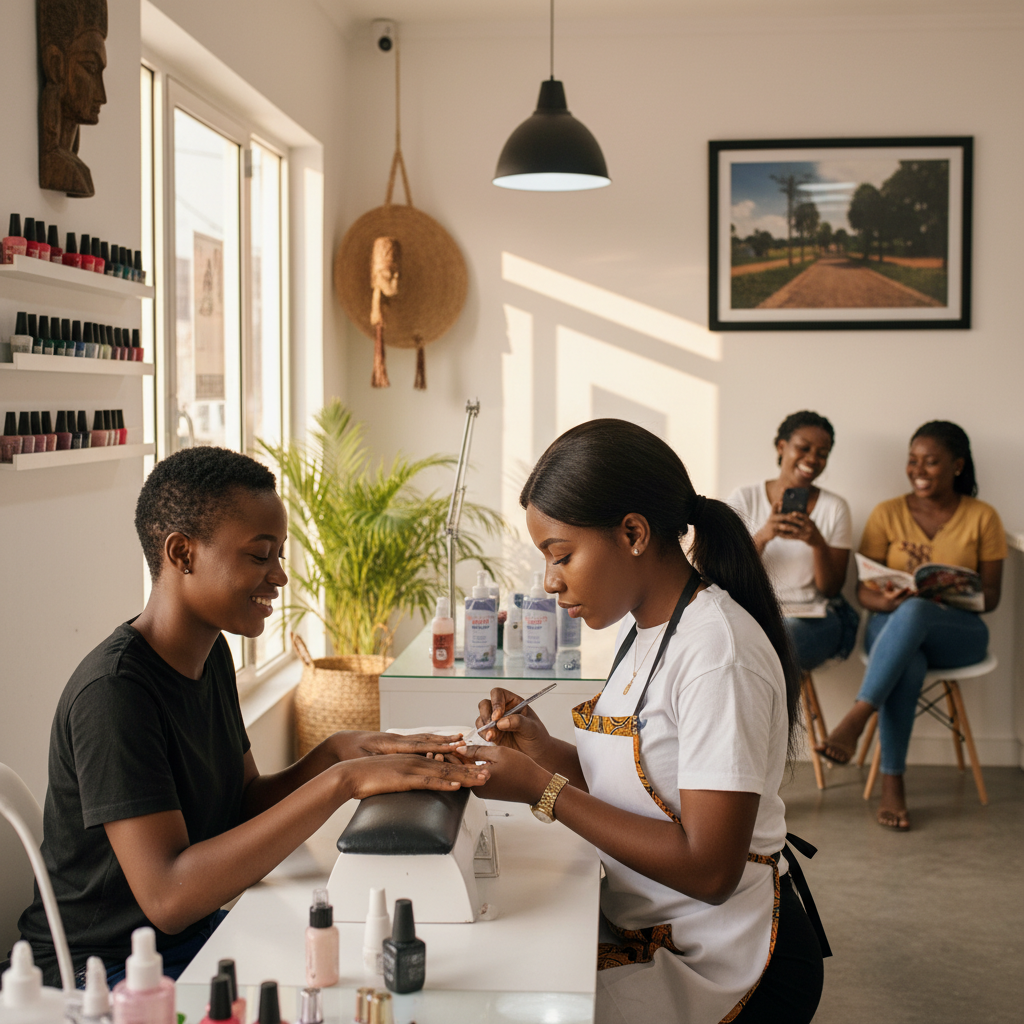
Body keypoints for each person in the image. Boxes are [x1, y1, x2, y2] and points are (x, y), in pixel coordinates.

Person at [15, 447, 487, 987]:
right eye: (261, 556)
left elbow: (242, 805)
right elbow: (168, 897)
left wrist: (336, 752)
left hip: (184, 940)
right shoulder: (115, 694)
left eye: (279, 554)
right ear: (182, 553)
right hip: (99, 971)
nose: (280, 577)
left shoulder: (209, 652)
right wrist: (343, 782)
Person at [451, 420, 825, 1024]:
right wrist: (541, 750)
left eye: (562, 555)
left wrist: (539, 791)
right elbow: (643, 785)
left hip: (723, 957)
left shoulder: (716, 654)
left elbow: (708, 867)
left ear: (632, 533)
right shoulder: (648, 629)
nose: (549, 583)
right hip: (654, 919)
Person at [816, 421, 1006, 830]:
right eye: (913, 460)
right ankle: (893, 785)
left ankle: (857, 715)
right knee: (910, 657)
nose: (918, 469)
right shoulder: (888, 513)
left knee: (918, 612)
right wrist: (884, 599)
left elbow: (992, 598)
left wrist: (953, 593)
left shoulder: (983, 517)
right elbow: (864, 592)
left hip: (959, 633)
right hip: (891, 630)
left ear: (957, 465)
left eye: (931, 461)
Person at [727, 411, 856, 672]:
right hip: (758, 614)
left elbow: (830, 589)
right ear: (781, 446)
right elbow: (727, 573)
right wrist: (763, 536)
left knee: (776, 641)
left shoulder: (835, 508)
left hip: (813, 618)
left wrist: (817, 543)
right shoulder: (745, 497)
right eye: (804, 448)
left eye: (822, 453)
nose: (812, 459)